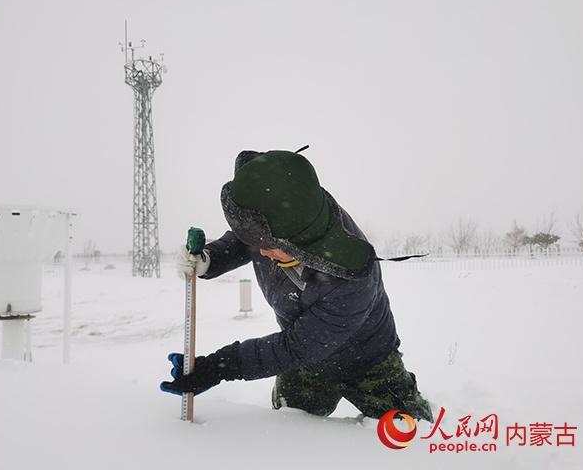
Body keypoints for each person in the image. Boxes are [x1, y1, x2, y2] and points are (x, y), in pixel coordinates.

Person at [161, 147, 434, 422]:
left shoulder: (350, 282)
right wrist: (210, 260)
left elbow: (294, 347)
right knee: (291, 430)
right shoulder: (279, 218)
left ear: (300, 243)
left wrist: (219, 366)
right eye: (258, 242)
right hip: (306, 367)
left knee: (413, 434)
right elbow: (247, 238)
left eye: (268, 247)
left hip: (368, 361)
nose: (261, 252)